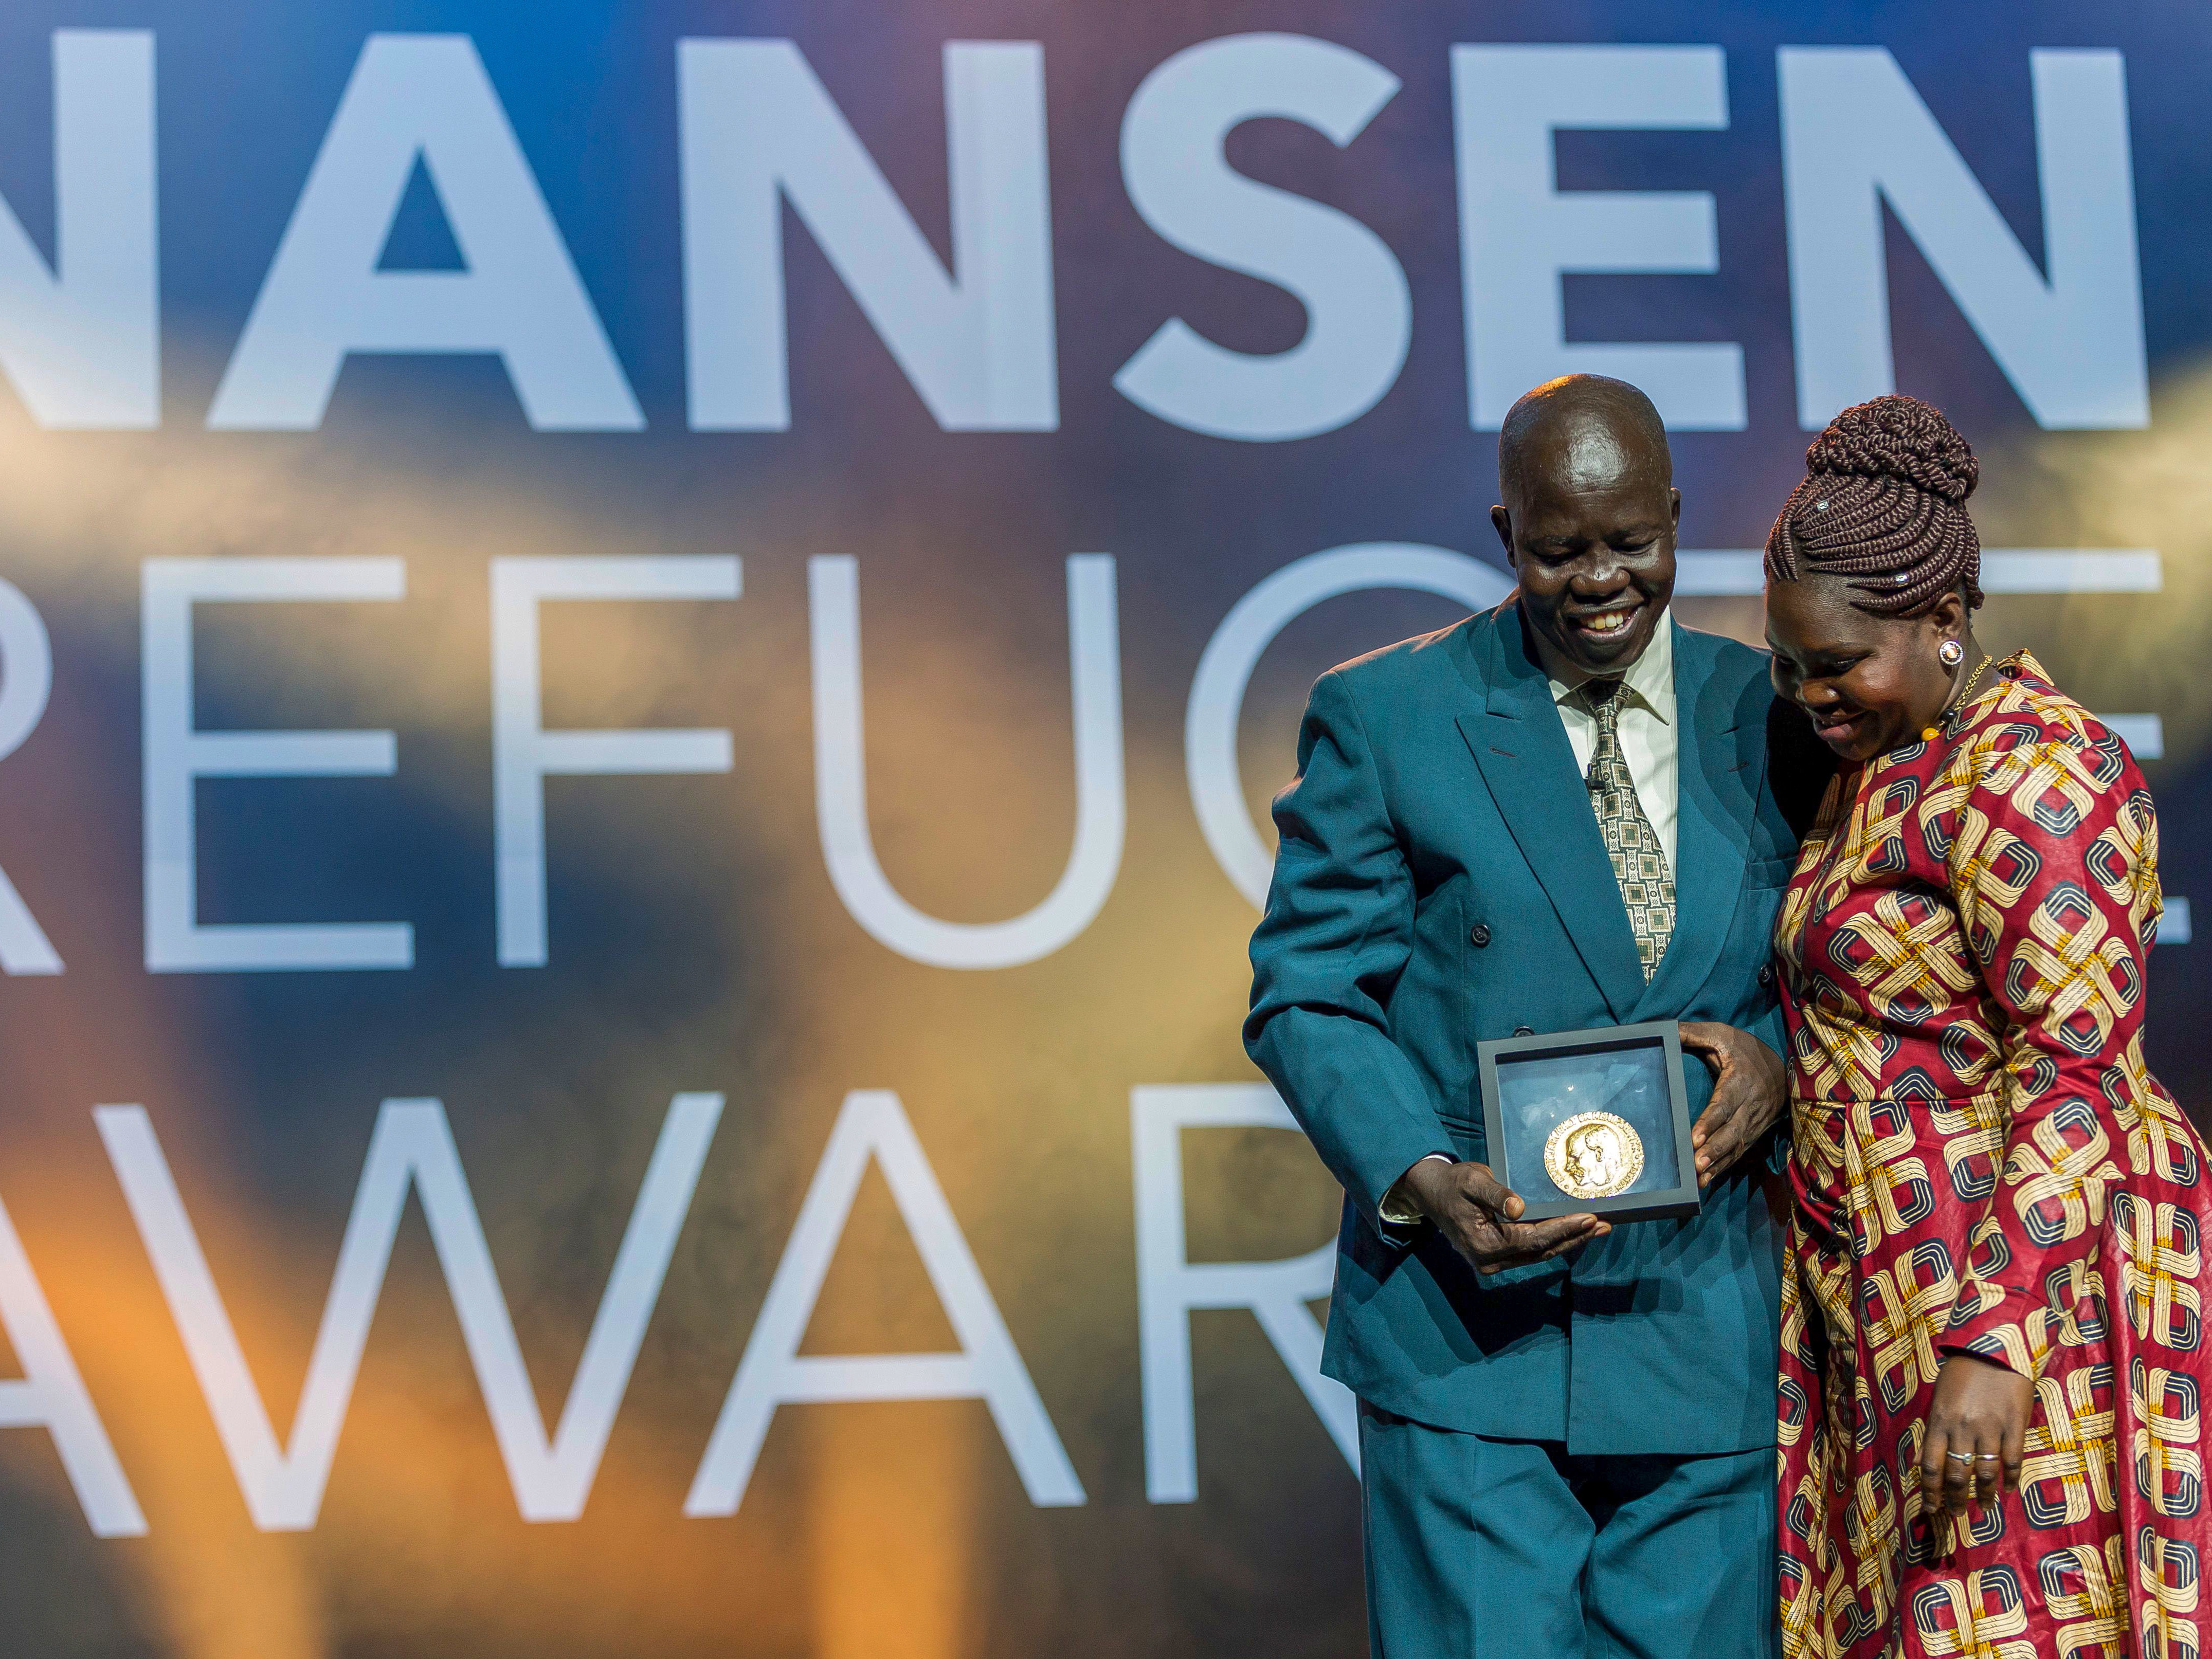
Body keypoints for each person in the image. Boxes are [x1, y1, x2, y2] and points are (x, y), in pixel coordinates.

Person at [1246, 373, 1829, 1656]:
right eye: (1562, 551)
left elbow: (1852, 972)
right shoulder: (1392, 716)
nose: (1602, 579)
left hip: (1706, 1333)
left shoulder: (1778, 714)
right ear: (1505, 537)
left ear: (1676, 516)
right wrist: (1418, 1174)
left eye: (1633, 543)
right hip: (1469, 1341)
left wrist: (1782, 1069)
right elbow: (1308, 991)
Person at [1761, 393, 2212, 1657]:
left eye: (1840, 663)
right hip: (1894, 1291)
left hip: (2029, 1299)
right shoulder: (1880, 764)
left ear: (1945, 623)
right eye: (1791, 665)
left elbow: (2079, 1071)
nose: (1810, 696)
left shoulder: (2039, 771)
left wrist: (1996, 1339)